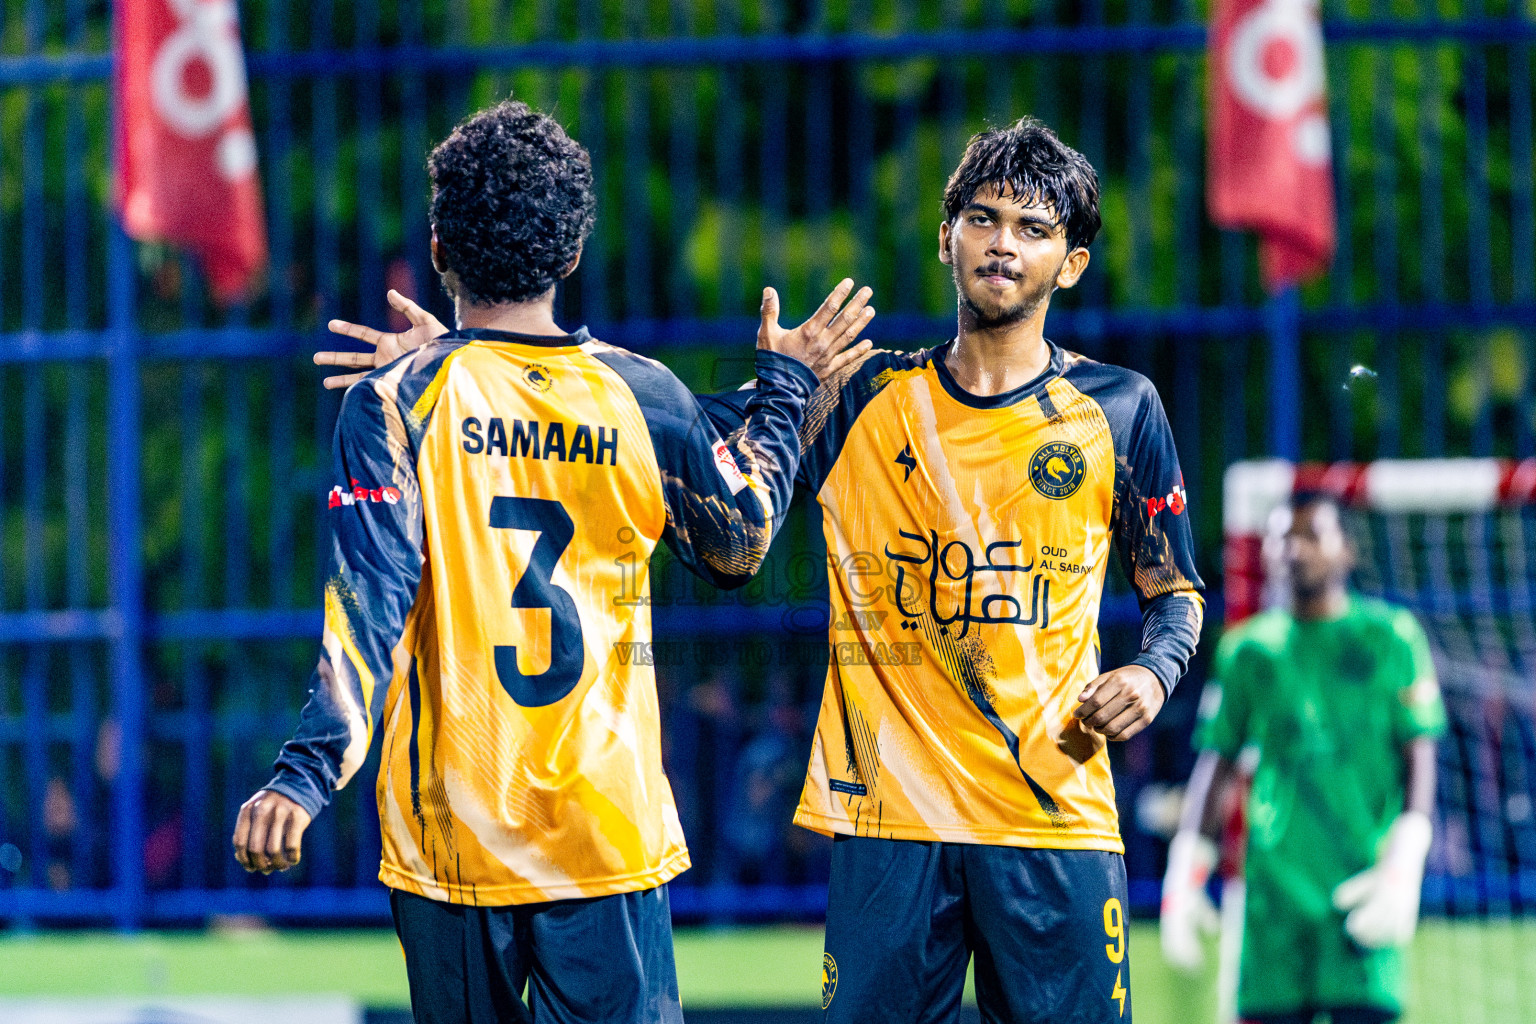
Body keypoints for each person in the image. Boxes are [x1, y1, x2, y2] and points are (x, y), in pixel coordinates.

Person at [327, 117, 1204, 1023]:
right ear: (947, 237)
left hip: (1053, 815)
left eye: (1034, 229)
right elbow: (674, 442)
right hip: (889, 829)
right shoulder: (861, 397)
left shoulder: (1119, 410)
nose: (1003, 245)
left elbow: (1175, 592)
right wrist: (481, 369)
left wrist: (1150, 669)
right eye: (983, 219)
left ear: (1073, 264)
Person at [231, 99, 874, 1024]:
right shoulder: (636, 393)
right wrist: (786, 390)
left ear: (442, 249)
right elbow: (737, 537)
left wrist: (304, 772)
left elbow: (369, 609)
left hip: (454, 843)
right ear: (572, 253)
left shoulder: (395, 403)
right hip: (605, 835)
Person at [1160, 492, 1444, 1024]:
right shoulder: (1248, 649)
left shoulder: (1391, 638)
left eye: (1311, 534)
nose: (1295, 549)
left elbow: (1420, 758)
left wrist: (1406, 862)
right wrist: (1186, 871)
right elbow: (1216, 764)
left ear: (1347, 550)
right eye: (1282, 537)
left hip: (1363, 885)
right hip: (1274, 898)